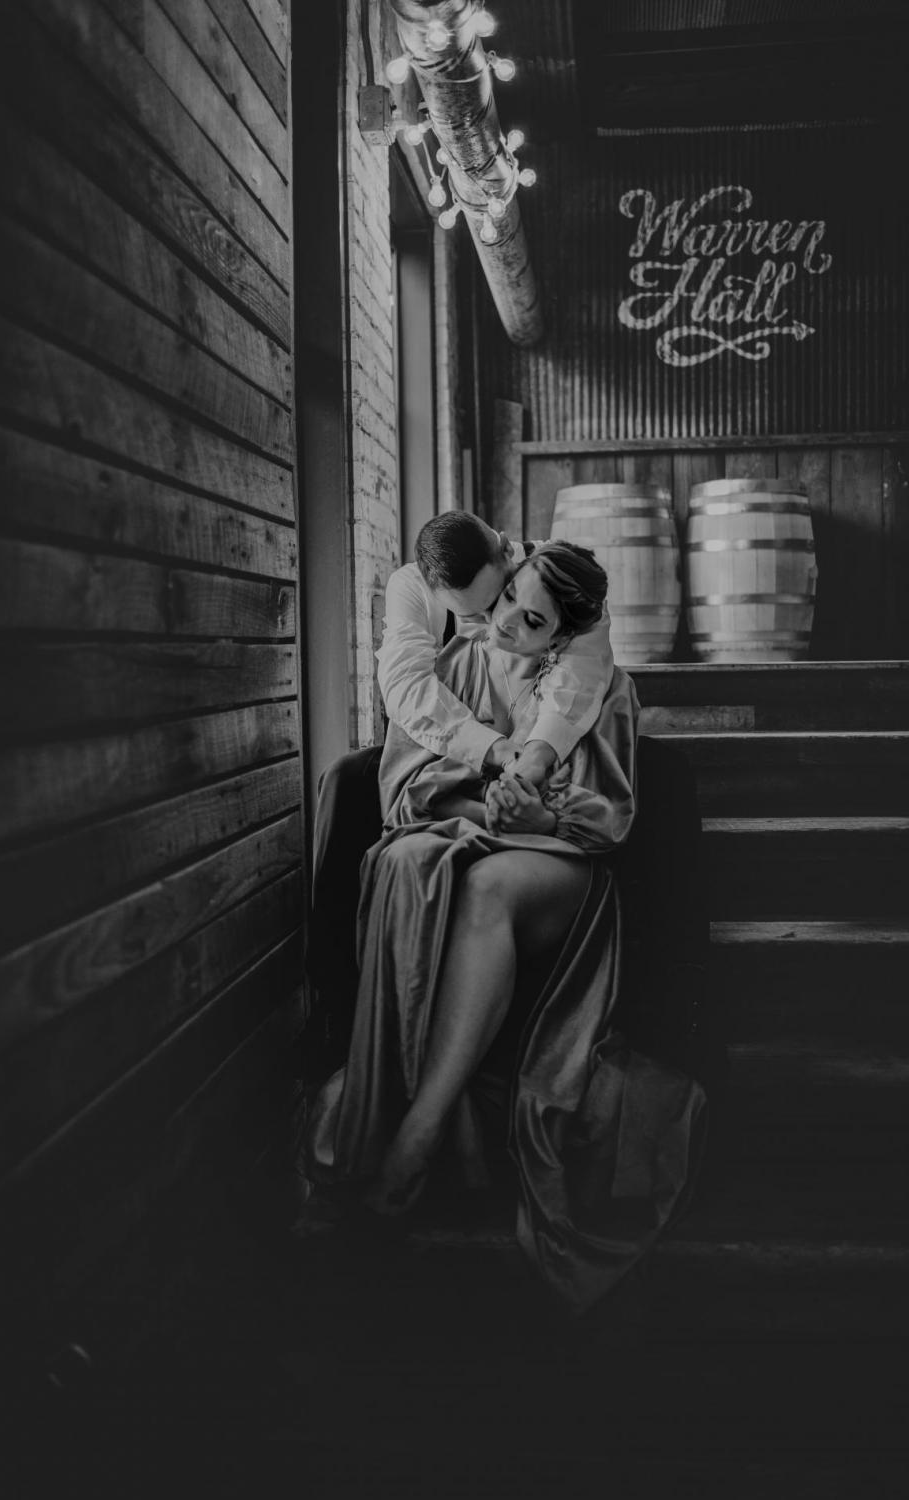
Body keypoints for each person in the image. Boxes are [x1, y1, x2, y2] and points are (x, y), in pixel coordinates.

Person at [306, 543, 707, 1315]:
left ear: (564, 634)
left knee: (489, 884)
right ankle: (443, 1107)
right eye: (511, 601)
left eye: (534, 622)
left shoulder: (600, 689)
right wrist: (482, 801)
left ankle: (420, 1130)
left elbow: (607, 820)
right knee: (423, 866)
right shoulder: (458, 660)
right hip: (466, 837)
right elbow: (410, 778)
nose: (510, 625)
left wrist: (542, 817)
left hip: (559, 866)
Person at [376, 512, 614, 792]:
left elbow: (582, 668)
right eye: (473, 616)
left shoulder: (561, 571)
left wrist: (536, 756)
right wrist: (496, 749)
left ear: (507, 549)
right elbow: (404, 685)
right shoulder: (411, 586)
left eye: (502, 596)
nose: (497, 621)